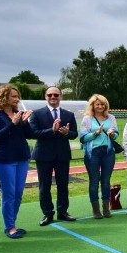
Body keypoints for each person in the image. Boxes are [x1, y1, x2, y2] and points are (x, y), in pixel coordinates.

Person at [0, 84, 33, 238]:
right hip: (4, 159)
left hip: (22, 158)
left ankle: (12, 223)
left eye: (17, 96)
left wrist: (25, 123)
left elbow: (28, 134)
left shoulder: (18, 114)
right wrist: (12, 123)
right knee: (8, 194)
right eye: (13, 96)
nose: (17, 99)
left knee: (18, 193)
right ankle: (10, 227)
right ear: (3, 97)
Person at [30, 86, 78, 226]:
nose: (53, 97)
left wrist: (66, 133)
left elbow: (74, 134)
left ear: (60, 97)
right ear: (45, 97)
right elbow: (34, 133)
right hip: (43, 155)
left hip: (62, 155)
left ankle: (63, 211)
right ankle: (47, 213)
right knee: (44, 186)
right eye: (50, 95)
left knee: (63, 185)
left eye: (56, 95)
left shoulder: (68, 114)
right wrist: (52, 130)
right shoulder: (37, 113)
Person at [79, 94, 119, 219]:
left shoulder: (111, 117)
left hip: (108, 152)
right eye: (97, 104)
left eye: (102, 104)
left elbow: (116, 134)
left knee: (106, 181)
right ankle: (96, 210)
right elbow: (83, 138)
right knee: (94, 181)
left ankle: (106, 208)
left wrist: (112, 134)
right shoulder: (87, 119)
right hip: (93, 153)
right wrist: (95, 134)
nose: (100, 106)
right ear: (93, 106)